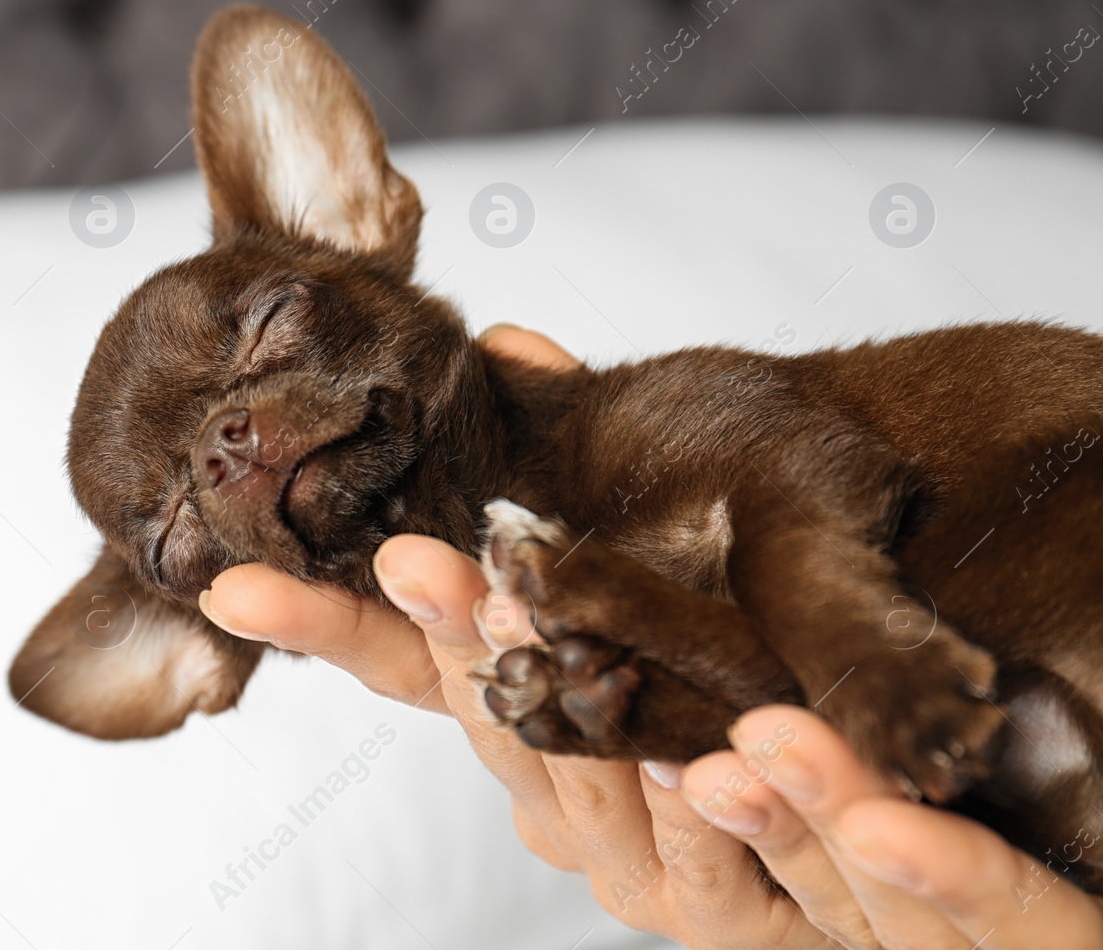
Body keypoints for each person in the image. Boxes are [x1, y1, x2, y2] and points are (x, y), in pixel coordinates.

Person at [196, 325, 1103, 950]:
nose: (223, 448)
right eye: (174, 525)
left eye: (270, 324)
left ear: (359, 230)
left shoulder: (644, 420)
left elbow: (818, 478)